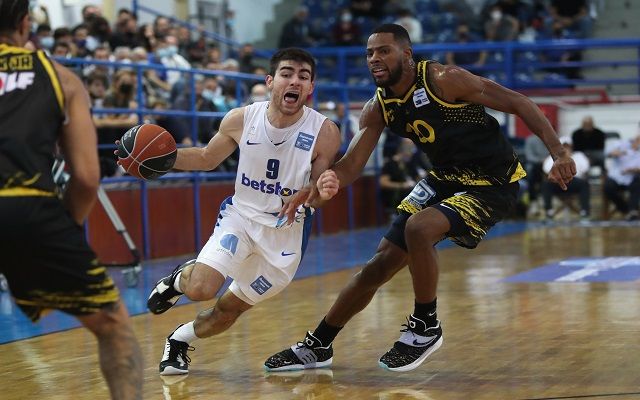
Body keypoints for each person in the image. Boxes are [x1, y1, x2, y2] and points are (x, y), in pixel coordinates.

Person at [264, 24, 575, 373]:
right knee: (378, 265)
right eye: (369, 53)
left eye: (384, 51)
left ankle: (426, 325)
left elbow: (519, 102)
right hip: (444, 179)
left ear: (407, 55)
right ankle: (318, 345)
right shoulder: (378, 106)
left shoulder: (444, 80)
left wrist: (559, 153)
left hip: (492, 182)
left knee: (419, 228)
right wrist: (320, 182)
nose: (374, 59)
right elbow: (351, 165)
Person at [137, 48, 341, 376]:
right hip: (241, 219)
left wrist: (322, 191)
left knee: (226, 313)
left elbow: (315, 192)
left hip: (285, 238)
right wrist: (161, 159)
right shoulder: (241, 118)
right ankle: (179, 279)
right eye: (287, 74)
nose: (295, 81)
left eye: (304, 77)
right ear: (270, 81)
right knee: (200, 289)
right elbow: (207, 158)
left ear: (311, 88)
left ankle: (178, 339)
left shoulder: (324, 131)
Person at [0, 1, 142, 399]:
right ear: (25, 24)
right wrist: (63, 227)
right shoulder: (60, 78)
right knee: (113, 326)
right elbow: (86, 177)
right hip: (27, 207)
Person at [541, 137, 591, 221]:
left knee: (584, 184)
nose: (565, 149)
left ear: (571, 147)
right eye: (563, 147)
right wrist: (560, 159)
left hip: (574, 181)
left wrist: (568, 158)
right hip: (558, 182)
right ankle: (549, 211)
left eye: (567, 147)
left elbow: (585, 168)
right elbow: (546, 169)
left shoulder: (579, 156)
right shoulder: (552, 157)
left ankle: (585, 211)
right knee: (546, 184)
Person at [603, 134, 640, 221]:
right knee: (608, 188)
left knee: (637, 184)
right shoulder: (621, 144)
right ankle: (627, 210)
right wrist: (613, 153)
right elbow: (607, 152)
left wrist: (634, 170)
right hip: (617, 177)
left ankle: (632, 210)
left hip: (633, 177)